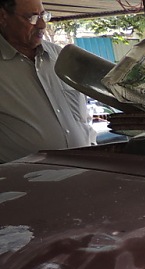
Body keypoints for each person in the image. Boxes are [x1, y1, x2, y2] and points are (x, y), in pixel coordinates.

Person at [0, 0, 95, 163]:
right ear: (3, 17)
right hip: (25, 182)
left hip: (86, 170)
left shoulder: (61, 57)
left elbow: (83, 118)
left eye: (44, 15)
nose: (42, 24)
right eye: (32, 17)